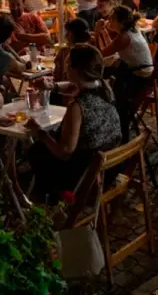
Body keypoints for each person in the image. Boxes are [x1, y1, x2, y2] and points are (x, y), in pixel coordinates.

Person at [26, 45, 122, 198]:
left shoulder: (77, 107)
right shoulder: (105, 87)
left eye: (68, 63)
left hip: (84, 177)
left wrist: (39, 132)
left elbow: (64, 152)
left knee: (37, 150)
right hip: (109, 167)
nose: (65, 67)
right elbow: (73, 86)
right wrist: (53, 87)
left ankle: (52, 198)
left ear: (75, 70)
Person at [100, 6, 154, 143]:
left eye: (112, 18)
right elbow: (112, 47)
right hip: (145, 76)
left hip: (138, 81)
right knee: (113, 71)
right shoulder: (133, 31)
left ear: (121, 22)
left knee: (107, 82)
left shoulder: (124, 37)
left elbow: (101, 54)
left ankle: (119, 135)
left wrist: (97, 32)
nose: (108, 20)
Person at [52, 18, 92, 83]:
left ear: (73, 35)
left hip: (68, 90)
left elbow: (57, 77)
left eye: (68, 32)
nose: (66, 36)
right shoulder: (92, 50)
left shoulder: (64, 52)